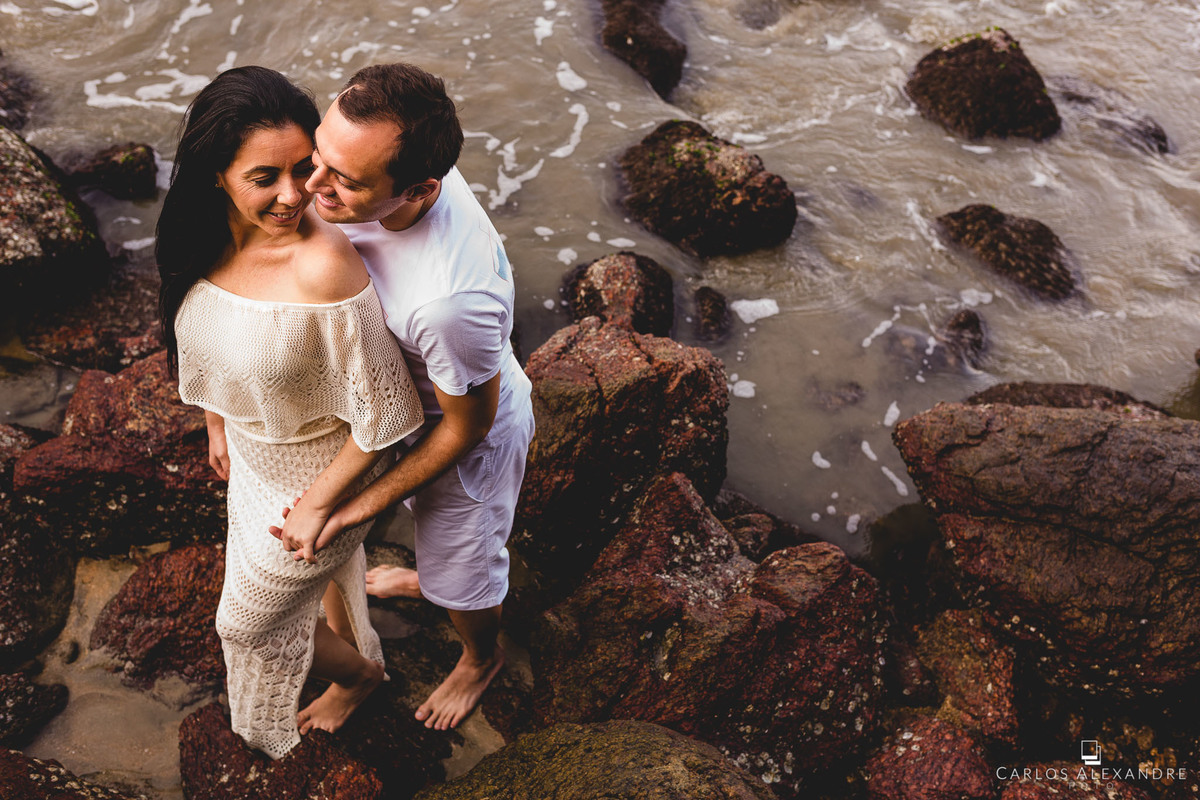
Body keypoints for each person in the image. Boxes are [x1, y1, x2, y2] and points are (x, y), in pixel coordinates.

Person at [156, 65, 425, 759]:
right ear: (216, 174)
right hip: (254, 455)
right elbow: (211, 341)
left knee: (244, 625)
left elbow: (388, 416)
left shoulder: (324, 265)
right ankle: (361, 659)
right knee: (307, 594)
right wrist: (218, 419)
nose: (291, 195)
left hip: (329, 477)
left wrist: (321, 506)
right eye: (263, 177)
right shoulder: (199, 238)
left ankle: (360, 677)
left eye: (303, 169)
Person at [275, 62, 535, 732]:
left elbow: (466, 428)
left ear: (420, 188)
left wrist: (355, 504)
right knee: (376, 541)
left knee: (464, 575)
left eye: (343, 180)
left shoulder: (450, 301)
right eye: (318, 156)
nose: (311, 184)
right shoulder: (403, 149)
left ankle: (480, 654)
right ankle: (428, 578)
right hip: (392, 405)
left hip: (460, 426)